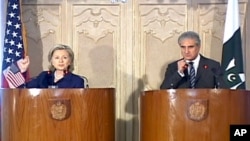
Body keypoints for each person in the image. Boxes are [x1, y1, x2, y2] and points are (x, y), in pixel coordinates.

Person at [160, 31, 227, 89]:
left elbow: (224, 90)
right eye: (183, 47)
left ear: (198, 47)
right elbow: (164, 90)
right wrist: (179, 73)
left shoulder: (213, 66)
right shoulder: (173, 67)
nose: (186, 51)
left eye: (190, 47)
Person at [19, 44, 86, 88]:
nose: (60, 61)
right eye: (57, 58)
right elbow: (24, 89)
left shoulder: (77, 81)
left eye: (64, 58)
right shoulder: (43, 76)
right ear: (51, 61)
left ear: (70, 61)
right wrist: (23, 72)